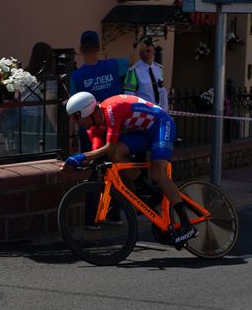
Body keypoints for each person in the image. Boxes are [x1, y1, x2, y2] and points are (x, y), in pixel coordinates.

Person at [61, 92, 198, 245]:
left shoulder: (112, 109)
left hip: (161, 124)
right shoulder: (93, 127)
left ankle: (187, 225)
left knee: (158, 171)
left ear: (86, 111)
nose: (76, 122)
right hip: (143, 132)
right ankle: (149, 190)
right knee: (115, 154)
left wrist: (80, 157)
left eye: (76, 117)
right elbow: (97, 152)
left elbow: (108, 146)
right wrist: (77, 164)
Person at [69, 30, 131, 152]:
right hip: (115, 125)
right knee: (114, 163)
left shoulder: (75, 76)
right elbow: (134, 58)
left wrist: (71, 136)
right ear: (99, 48)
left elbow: (73, 109)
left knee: (91, 165)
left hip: (89, 130)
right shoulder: (115, 65)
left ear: (80, 49)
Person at [123, 36, 168, 111]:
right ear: (139, 52)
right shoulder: (133, 70)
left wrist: (164, 111)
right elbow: (129, 95)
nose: (145, 53)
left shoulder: (158, 69)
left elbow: (162, 92)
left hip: (158, 112)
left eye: (148, 50)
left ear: (153, 51)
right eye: (143, 51)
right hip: (143, 114)